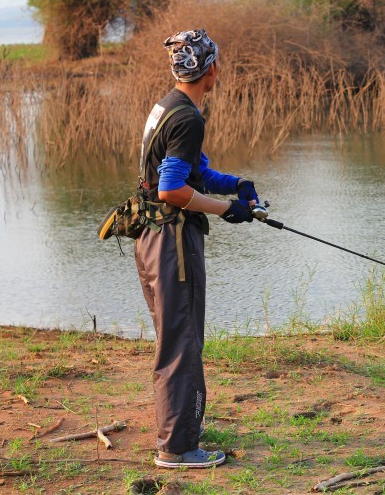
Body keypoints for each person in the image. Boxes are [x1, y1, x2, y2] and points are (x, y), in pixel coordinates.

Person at [134, 28, 258, 469]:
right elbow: (171, 189)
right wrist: (228, 210)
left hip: (153, 239)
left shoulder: (169, 106)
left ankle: (181, 432)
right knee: (182, 342)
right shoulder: (189, 117)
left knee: (177, 338)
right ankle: (178, 448)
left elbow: (192, 170)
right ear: (211, 69)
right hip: (172, 242)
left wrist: (236, 185)